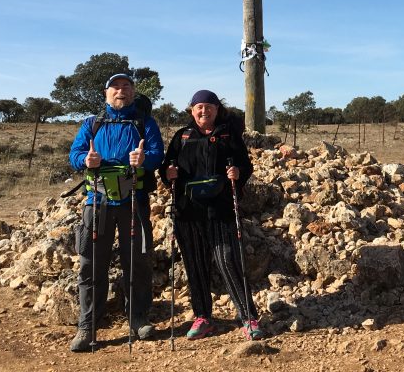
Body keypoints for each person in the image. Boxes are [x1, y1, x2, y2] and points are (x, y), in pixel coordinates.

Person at [67, 73, 164, 352]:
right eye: (115, 87)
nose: (120, 91)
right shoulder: (91, 124)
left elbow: (158, 154)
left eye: (126, 87)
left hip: (135, 201)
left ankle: (138, 318)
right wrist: (86, 159)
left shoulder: (145, 124)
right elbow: (74, 155)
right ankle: (87, 326)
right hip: (97, 203)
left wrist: (145, 159)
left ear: (133, 93)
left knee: (138, 261)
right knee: (91, 264)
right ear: (106, 93)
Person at [161, 89, 262, 340]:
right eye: (199, 107)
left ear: (218, 110)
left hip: (221, 208)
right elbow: (167, 168)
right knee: (195, 264)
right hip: (188, 211)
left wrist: (238, 173)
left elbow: (245, 165)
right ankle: (203, 317)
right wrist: (168, 173)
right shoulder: (182, 136)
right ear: (191, 110)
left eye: (209, 106)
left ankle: (248, 316)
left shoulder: (229, 135)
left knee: (227, 259)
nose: (204, 111)